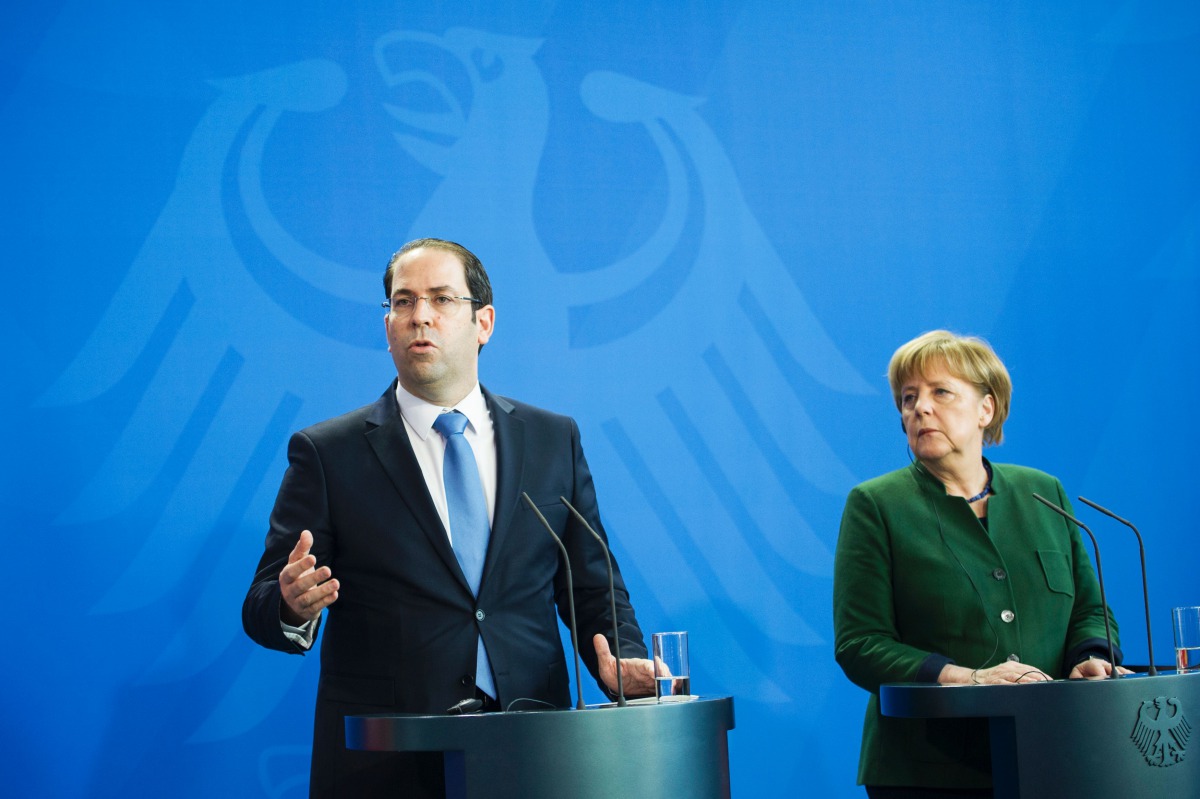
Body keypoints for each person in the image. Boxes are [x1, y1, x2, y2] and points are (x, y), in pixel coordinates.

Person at [242, 238, 654, 798]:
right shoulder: (328, 453)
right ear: (386, 324)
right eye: (403, 302)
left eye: (441, 299)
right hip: (389, 762)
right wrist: (290, 604)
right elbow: (263, 604)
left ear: (483, 322)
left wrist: (623, 659)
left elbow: (591, 586)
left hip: (534, 749)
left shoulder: (552, 440)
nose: (421, 317)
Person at [832, 330, 1124, 798]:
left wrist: (1091, 658)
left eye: (940, 392)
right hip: (930, 770)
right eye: (909, 398)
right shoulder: (876, 505)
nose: (919, 408)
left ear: (986, 409)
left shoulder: (1043, 493)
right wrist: (966, 679)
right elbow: (859, 644)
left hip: (1055, 752)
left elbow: (1092, 609)